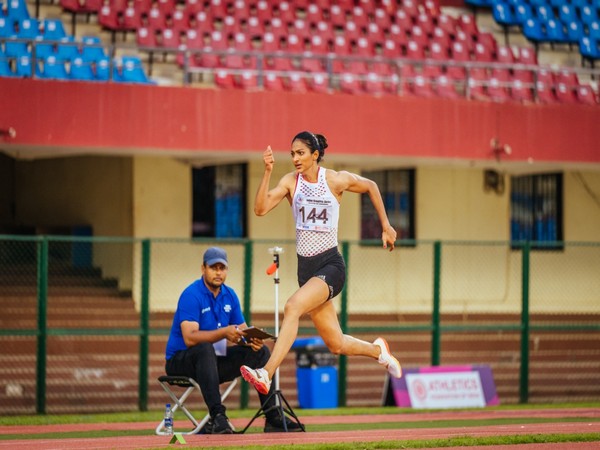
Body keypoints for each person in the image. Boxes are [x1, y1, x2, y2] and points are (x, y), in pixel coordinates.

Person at [240, 131, 402, 396]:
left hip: (330, 267)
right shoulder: (291, 182)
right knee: (336, 344)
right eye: (292, 153)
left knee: (292, 307)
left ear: (315, 155)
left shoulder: (335, 180)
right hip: (307, 272)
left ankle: (266, 374)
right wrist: (268, 171)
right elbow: (260, 209)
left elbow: (371, 185)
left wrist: (386, 225)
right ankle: (378, 351)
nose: (295, 158)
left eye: (300, 153)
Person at [165, 246, 302, 433]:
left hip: (211, 362)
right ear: (203, 268)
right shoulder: (191, 294)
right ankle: (217, 416)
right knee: (205, 349)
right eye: (214, 268)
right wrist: (224, 333)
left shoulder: (230, 295)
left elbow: (242, 331)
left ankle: (272, 416)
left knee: (261, 352)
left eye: (222, 268)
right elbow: (190, 339)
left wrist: (251, 340)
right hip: (179, 361)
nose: (218, 272)